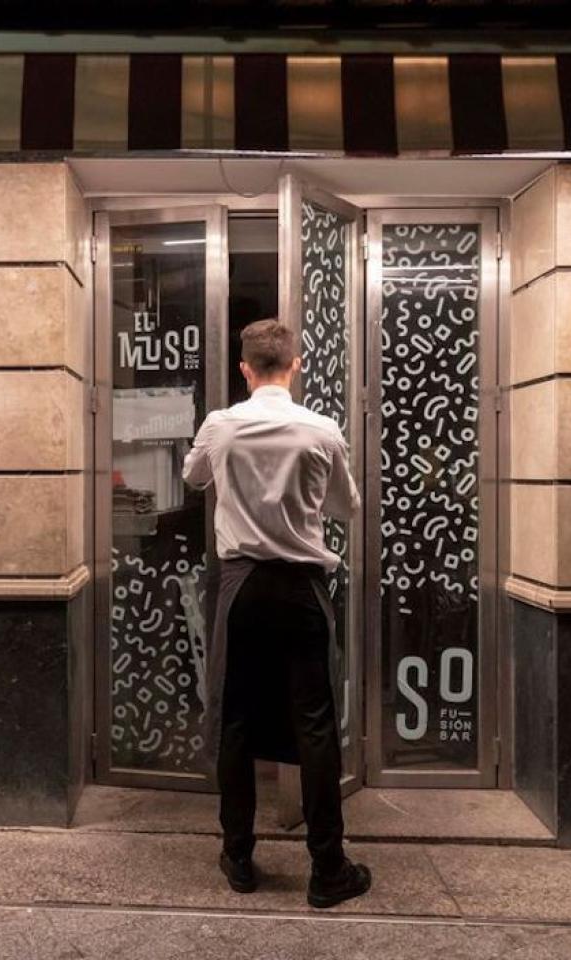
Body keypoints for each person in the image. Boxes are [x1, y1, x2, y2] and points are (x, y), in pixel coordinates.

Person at [183, 318, 370, 909]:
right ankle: (328, 869)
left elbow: (192, 478)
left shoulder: (221, 425)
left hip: (240, 587)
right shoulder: (321, 430)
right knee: (315, 725)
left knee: (235, 722)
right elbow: (347, 507)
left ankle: (238, 857)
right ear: (295, 365)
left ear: (245, 368)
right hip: (301, 587)